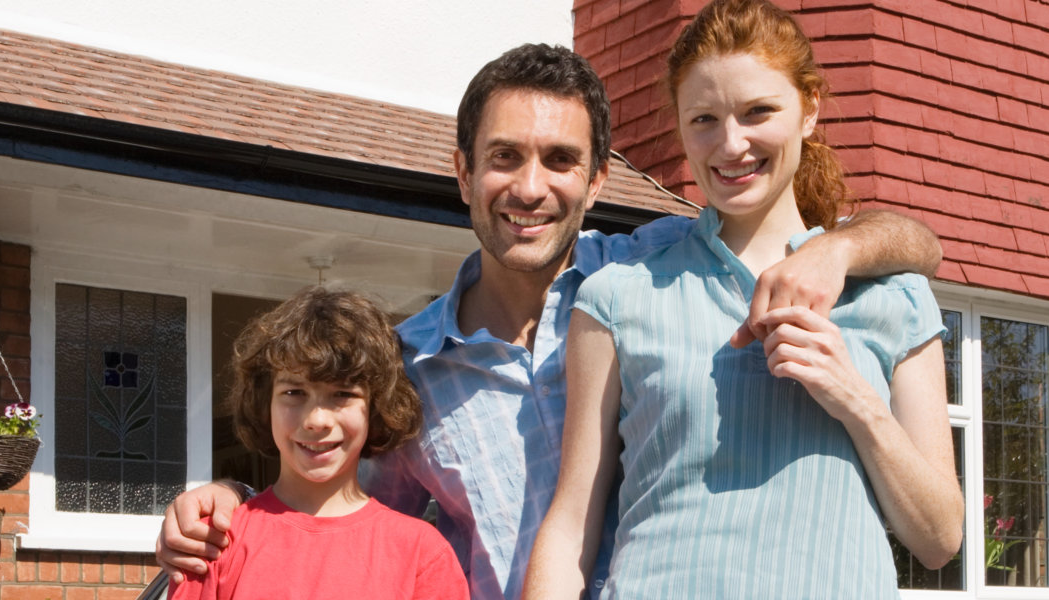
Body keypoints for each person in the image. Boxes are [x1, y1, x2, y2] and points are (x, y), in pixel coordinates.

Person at [158, 43, 944, 600]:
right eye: (503, 158)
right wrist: (231, 498)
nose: (530, 188)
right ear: (463, 171)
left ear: (598, 177)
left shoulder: (655, 275)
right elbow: (342, 513)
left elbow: (917, 243)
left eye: (561, 161)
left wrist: (836, 250)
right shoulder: (404, 369)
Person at [523, 1, 963, 597]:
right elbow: (572, 523)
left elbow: (940, 540)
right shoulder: (615, 298)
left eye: (759, 112)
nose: (731, 145)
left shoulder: (894, 296)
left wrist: (855, 400)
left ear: (809, 110)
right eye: (703, 119)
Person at [170, 286, 466, 600]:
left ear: (376, 407)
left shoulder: (422, 554)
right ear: (263, 404)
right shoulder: (214, 542)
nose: (317, 420)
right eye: (294, 393)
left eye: (343, 394)